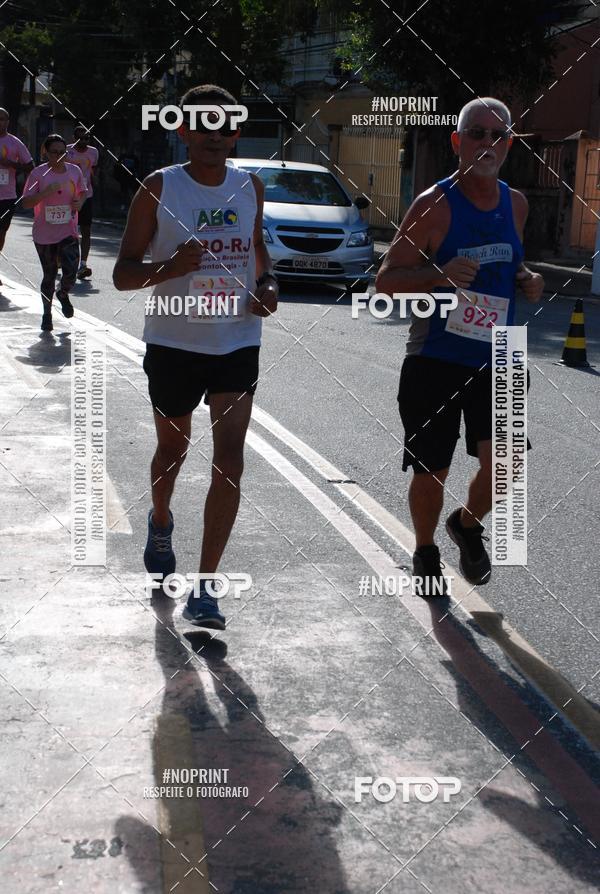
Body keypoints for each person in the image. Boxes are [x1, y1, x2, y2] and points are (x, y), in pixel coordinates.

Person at [113, 84, 278, 630]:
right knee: (173, 449)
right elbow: (122, 274)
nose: (214, 135)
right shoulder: (160, 188)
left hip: (237, 340)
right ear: (182, 130)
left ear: (235, 133)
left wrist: (269, 285)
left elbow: (258, 251)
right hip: (174, 344)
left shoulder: (250, 186)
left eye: (224, 126)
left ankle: (206, 589)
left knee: (230, 458)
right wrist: (170, 268)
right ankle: (161, 521)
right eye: (202, 125)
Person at [375, 97, 544, 594]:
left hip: (501, 356)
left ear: (509, 145)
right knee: (433, 470)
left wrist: (528, 278)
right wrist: (439, 275)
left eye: (498, 135)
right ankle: (425, 549)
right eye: (477, 133)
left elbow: (511, 262)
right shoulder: (433, 205)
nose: (487, 143)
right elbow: (386, 281)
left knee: (507, 464)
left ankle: (467, 525)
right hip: (436, 357)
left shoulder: (516, 204)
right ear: (457, 142)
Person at [22, 134, 86, 331]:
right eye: (54, 152)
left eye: (62, 153)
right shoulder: (38, 174)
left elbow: (83, 192)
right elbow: (26, 202)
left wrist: (79, 203)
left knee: (71, 271)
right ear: (46, 152)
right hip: (45, 234)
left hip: (68, 230)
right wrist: (45, 193)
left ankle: (63, 293)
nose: (59, 156)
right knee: (49, 274)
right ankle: (47, 314)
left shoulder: (74, 171)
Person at [0, 107, 34, 286]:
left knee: (1, 233)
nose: (0, 122)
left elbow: (30, 166)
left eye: (2, 119)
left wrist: (11, 164)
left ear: (8, 122)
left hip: (7, 197)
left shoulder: (15, 143)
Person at [67, 125, 99, 279]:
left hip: (86, 196)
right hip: (67, 196)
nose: (84, 141)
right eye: (80, 138)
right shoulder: (66, 151)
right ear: (74, 138)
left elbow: (93, 170)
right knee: (67, 230)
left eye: (87, 138)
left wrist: (93, 182)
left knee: (86, 230)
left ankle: (83, 264)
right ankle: (63, 259)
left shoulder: (94, 152)